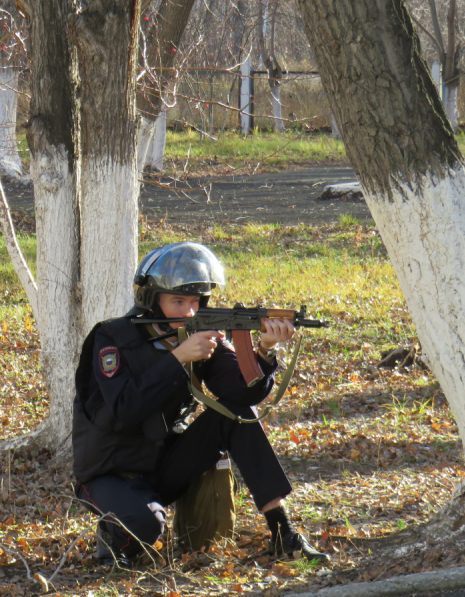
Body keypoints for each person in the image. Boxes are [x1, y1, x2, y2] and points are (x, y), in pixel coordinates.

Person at [72, 241, 328, 568]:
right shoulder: (112, 338)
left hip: (163, 463)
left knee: (238, 416)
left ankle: (284, 534)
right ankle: (113, 533)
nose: (189, 312)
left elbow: (242, 393)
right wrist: (178, 358)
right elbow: (125, 407)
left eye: (195, 302)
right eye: (178, 301)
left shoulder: (199, 335)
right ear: (151, 299)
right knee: (146, 525)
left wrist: (264, 350)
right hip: (109, 471)